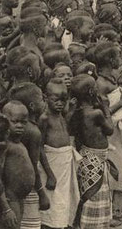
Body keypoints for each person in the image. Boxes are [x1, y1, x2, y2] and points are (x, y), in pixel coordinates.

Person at [68, 74, 114, 229]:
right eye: (95, 87)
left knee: (87, 191)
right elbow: (110, 130)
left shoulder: (78, 113)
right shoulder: (96, 113)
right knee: (96, 192)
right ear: (90, 92)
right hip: (96, 157)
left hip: (86, 156)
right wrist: (106, 108)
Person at [93, 43, 122, 226]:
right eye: (117, 56)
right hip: (108, 132)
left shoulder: (110, 79)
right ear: (110, 60)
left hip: (115, 130)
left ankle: (116, 208)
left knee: (118, 166)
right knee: (114, 168)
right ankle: (113, 211)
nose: (120, 58)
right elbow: (103, 111)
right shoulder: (100, 83)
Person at [38, 78, 80, 229]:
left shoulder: (60, 114)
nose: (60, 104)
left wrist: (72, 110)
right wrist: (49, 174)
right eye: (56, 100)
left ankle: (61, 225)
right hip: (52, 165)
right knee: (52, 203)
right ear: (45, 97)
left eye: (64, 100)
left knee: (63, 201)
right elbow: (40, 147)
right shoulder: (44, 118)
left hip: (63, 165)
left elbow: (62, 129)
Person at [7, 83, 49, 229]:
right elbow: (33, 165)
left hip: (18, 187)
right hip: (28, 189)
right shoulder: (33, 132)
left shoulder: (17, 132)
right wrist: (41, 192)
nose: (44, 102)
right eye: (41, 100)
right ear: (32, 106)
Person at [0, 102, 36, 229]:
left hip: (18, 199)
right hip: (8, 200)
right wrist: (6, 209)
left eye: (23, 122)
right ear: (4, 121)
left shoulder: (18, 143)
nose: (20, 125)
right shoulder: (3, 145)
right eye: (15, 122)